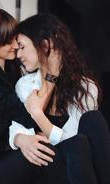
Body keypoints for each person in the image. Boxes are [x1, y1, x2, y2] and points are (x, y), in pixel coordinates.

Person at [11, 13, 110, 184]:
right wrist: (21, 138)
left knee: (92, 121)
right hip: (49, 165)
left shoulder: (85, 87)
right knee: (77, 144)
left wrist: (38, 115)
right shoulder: (25, 85)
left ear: (44, 45)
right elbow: (19, 128)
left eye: (22, 47)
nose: (18, 55)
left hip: (83, 167)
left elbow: (75, 142)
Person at [0, 8, 59, 184]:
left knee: (58, 150)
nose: (15, 46)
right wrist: (52, 75)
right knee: (49, 153)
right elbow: (27, 116)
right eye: (8, 42)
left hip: (12, 150)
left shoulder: (11, 68)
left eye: (14, 39)